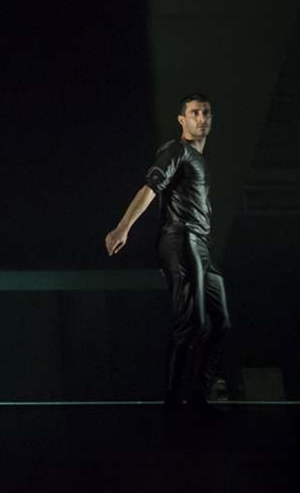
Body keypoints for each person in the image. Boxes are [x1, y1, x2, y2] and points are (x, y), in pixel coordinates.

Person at [104, 94, 231, 409]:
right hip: (180, 238)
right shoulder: (177, 150)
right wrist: (123, 227)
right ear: (182, 119)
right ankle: (174, 396)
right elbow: (150, 187)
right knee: (194, 322)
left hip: (201, 246)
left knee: (220, 322)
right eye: (195, 112)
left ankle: (199, 393)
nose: (202, 118)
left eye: (206, 113)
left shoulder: (201, 160)